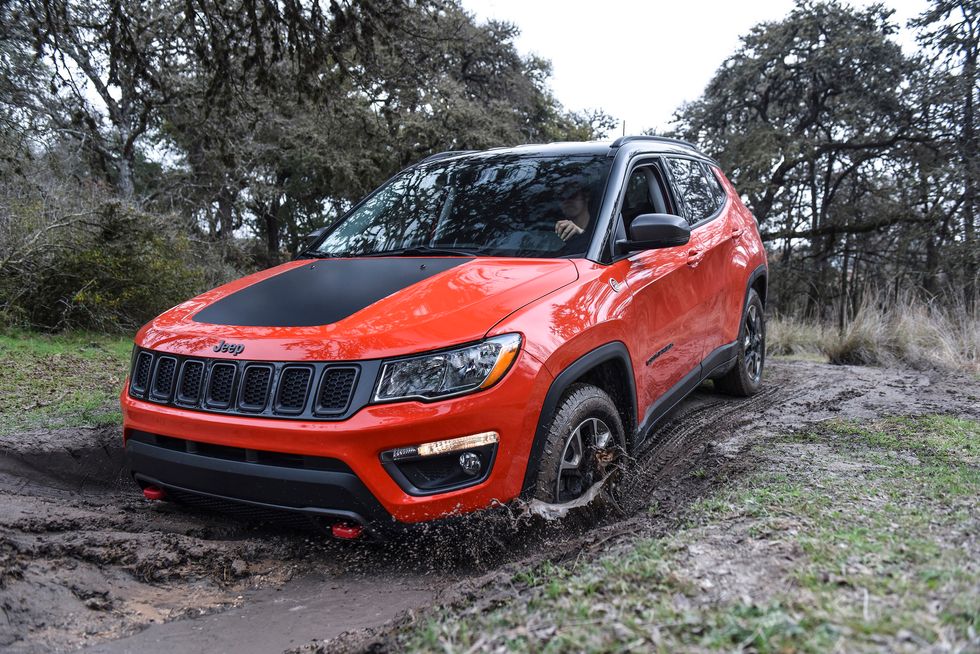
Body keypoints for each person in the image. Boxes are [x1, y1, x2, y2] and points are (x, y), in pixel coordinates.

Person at [554, 185, 592, 251]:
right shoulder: (555, 230)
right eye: (562, 197)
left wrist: (581, 233)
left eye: (572, 195)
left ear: (586, 196)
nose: (567, 200)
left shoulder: (602, 225)